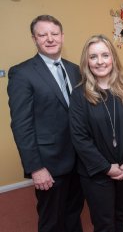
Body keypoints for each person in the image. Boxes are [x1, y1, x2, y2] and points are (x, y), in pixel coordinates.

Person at [7, 15, 84, 232]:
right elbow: (21, 125)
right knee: (51, 219)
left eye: (54, 34)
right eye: (42, 35)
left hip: (78, 160)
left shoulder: (74, 69)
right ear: (34, 39)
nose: (49, 39)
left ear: (62, 36)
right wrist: (35, 168)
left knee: (73, 212)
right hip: (49, 163)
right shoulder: (22, 73)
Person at [69, 34, 123, 232]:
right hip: (96, 172)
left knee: (122, 215)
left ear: (113, 58)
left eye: (105, 55)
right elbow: (79, 138)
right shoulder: (79, 95)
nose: (100, 61)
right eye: (93, 57)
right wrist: (106, 167)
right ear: (87, 61)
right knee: (103, 223)